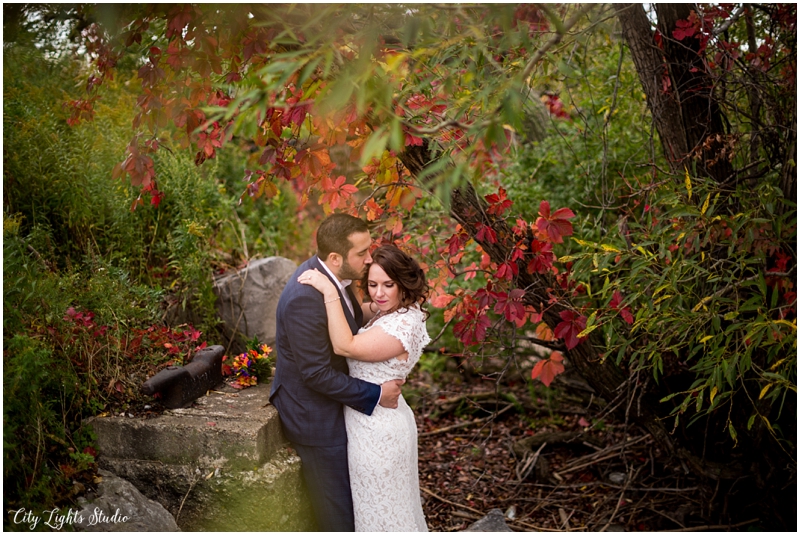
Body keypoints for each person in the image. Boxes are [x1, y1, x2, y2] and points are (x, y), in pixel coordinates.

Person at [269, 214, 405, 532]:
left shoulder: (331, 275)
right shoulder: (306, 299)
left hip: (336, 399)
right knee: (339, 514)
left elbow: (350, 320)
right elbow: (315, 374)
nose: (370, 258)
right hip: (314, 415)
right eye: (362, 253)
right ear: (335, 257)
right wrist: (376, 394)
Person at [298, 244, 431, 532]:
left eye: (388, 285)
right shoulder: (390, 310)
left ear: (403, 283)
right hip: (370, 424)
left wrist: (329, 291)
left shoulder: (403, 325)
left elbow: (345, 344)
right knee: (379, 510)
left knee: (384, 515)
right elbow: (352, 313)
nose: (379, 293)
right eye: (372, 284)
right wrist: (337, 282)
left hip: (379, 433)